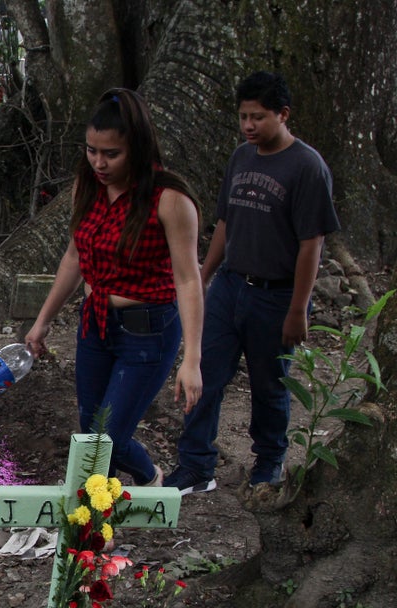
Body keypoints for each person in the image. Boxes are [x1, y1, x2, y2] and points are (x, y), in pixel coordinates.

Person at [165, 72, 340, 495]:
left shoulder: (306, 167)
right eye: (243, 116)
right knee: (205, 371)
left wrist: (298, 309)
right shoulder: (241, 157)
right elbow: (226, 221)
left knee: (270, 385)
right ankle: (195, 464)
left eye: (257, 117)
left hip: (277, 294)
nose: (248, 125)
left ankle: (268, 464)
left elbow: (310, 244)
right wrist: (203, 276)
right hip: (229, 286)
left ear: (283, 115)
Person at [26, 88, 204, 487]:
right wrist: (43, 322)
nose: (99, 163)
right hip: (95, 325)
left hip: (149, 331)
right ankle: (133, 487)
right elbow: (75, 257)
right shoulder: (86, 186)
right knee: (91, 437)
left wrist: (191, 359)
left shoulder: (170, 200)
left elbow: (189, 279)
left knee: (107, 439)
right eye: (91, 151)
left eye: (111, 154)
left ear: (137, 148)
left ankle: (114, 504)